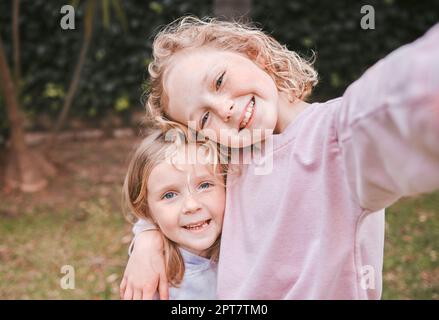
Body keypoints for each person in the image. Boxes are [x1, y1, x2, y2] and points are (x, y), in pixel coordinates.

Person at [121, 16, 439, 299]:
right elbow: (166, 188)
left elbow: (402, 102)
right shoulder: (228, 157)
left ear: (252, 54)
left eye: (219, 81)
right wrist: (147, 239)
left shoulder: (338, 138)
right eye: (203, 118)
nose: (223, 110)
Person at [121, 124, 226, 299]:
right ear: (147, 212)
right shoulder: (155, 281)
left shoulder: (240, 241)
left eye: (205, 185)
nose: (192, 205)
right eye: (169, 195)